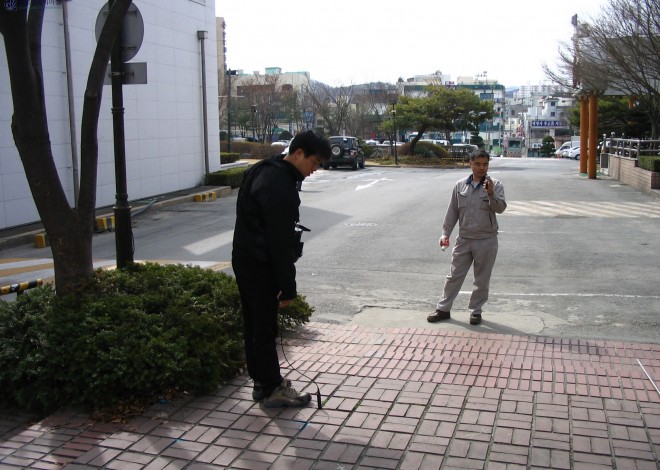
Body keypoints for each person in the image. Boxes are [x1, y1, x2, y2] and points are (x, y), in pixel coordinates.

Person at [232, 130, 331, 408]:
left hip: (245, 259)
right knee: (264, 329)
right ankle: (271, 388)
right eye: (314, 162)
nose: (315, 169)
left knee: (254, 325)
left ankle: (262, 383)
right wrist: (287, 286)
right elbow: (279, 242)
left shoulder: (265, 168)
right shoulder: (280, 184)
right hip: (260, 264)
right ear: (298, 153)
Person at [428, 149, 507, 325]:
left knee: (482, 279)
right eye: (477, 164)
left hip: (486, 240)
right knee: (454, 276)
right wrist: (445, 233)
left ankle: (476, 311)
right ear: (470, 164)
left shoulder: (495, 185)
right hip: (464, 239)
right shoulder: (460, 185)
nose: (481, 168)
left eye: (485, 164)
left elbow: (500, 208)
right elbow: (452, 211)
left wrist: (491, 193)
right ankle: (443, 309)